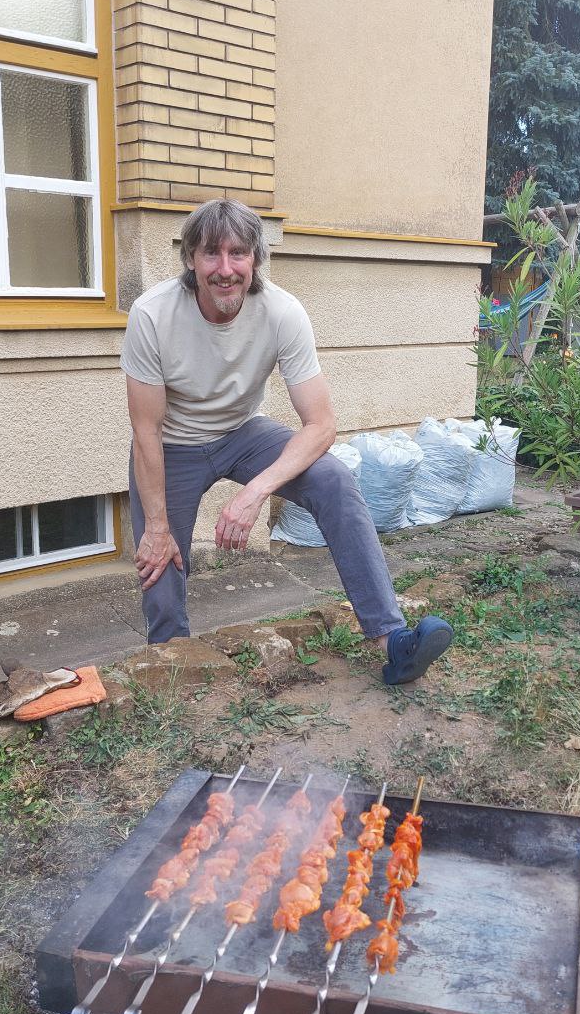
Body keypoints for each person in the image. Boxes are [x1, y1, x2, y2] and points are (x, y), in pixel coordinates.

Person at [120, 198, 454, 685]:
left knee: (334, 480)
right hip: (172, 444)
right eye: (212, 254)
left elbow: (320, 424)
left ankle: (392, 641)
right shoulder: (152, 315)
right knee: (161, 553)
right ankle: (171, 669)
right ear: (191, 258)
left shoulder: (281, 311)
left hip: (244, 432)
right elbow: (145, 431)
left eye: (239, 254)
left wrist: (256, 492)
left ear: (256, 258)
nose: (226, 269)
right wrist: (156, 523)